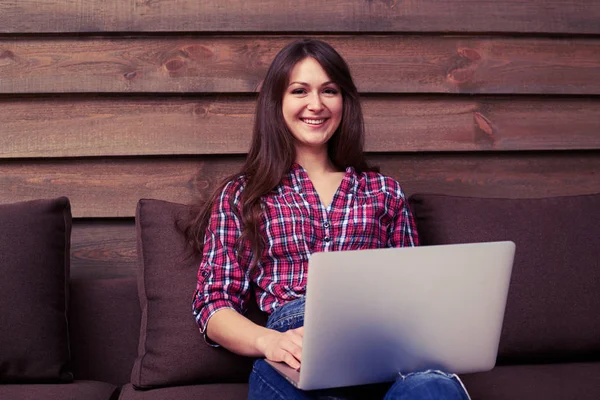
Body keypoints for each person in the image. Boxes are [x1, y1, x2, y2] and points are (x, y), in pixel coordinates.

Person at [187, 39, 471, 400]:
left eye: (329, 91)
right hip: (297, 353)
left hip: (380, 349)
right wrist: (270, 342)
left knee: (434, 387)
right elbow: (213, 304)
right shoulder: (243, 194)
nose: (316, 104)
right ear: (277, 103)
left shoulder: (383, 191)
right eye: (299, 91)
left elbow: (413, 301)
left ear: (344, 102)